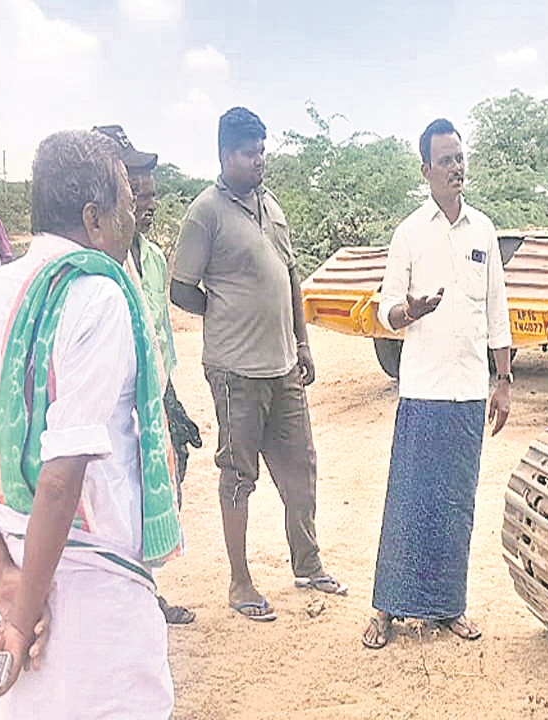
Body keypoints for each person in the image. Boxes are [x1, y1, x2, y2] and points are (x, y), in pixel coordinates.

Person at [0, 129, 181, 717]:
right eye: (126, 202)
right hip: (87, 593)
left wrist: (6, 585)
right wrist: (20, 622)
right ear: (94, 218)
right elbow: (61, 477)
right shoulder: (98, 297)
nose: (134, 217)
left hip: (11, 570)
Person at [171, 106, 344, 622]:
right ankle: (240, 582)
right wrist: (222, 309)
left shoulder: (271, 204)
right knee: (237, 475)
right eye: (250, 152)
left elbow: (290, 276)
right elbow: (182, 289)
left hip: (283, 366)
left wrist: (304, 344)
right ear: (226, 155)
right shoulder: (205, 213)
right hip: (235, 372)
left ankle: (308, 562)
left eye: (263, 151)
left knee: (301, 468)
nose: (260, 160)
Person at [361, 118, 512, 650]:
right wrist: (408, 311)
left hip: (469, 391)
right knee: (408, 502)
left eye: (459, 158)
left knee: (455, 506)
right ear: (425, 170)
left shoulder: (484, 230)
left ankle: (449, 608)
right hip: (422, 391)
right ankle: (386, 609)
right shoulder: (409, 232)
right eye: (445, 160)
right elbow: (384, 310)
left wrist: (505, 380)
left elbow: (497, 308)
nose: (456, 168)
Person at [93, 123, 201, 626]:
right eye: (135, 188)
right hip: (113, 405)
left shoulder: (152, 259)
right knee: (112, 496)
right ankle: (127, 598)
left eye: (149, 191)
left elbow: (160, 337)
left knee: (158, 487)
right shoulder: (93, 268)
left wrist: (169, 400)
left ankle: (143, 587)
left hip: (155, 393)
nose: (144, 200)